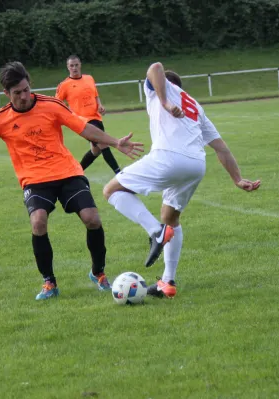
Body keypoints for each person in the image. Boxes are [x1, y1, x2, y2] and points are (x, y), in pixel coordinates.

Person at [0, 61, 143, 301]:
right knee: (38, 222)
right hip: (35, 180)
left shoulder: (51, 105)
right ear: (6, 94)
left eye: (26, 89)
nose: (24, 96)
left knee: (92, 219)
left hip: (67, 172)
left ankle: (98, 273)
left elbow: (83, 129)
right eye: (17, 93)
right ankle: (49, 282)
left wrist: (114, 142)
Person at [103, 62, 261, 299]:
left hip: (169, 157)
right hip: (196, 165)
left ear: (165, 85)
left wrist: (165, 102)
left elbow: (155, 67)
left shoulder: (159, 91)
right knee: (171, 218)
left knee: (112, 190)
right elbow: (221, 148)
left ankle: (155, 231)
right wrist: (237, 179)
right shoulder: (195, 106)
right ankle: (168, 281)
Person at [56, 55, 121, 174]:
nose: (74, 68)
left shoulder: (89, 78)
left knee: (96, 151)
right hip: (83, 123)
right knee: (103, 143)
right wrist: (68, 115)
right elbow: (57, 104)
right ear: (68, 67)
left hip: (96, 118)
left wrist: (100, 105)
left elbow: (95, 95)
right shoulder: (64, 85)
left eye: (76, 65)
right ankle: (119, 173)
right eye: (71, 65)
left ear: (80, 65)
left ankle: (76, 172)